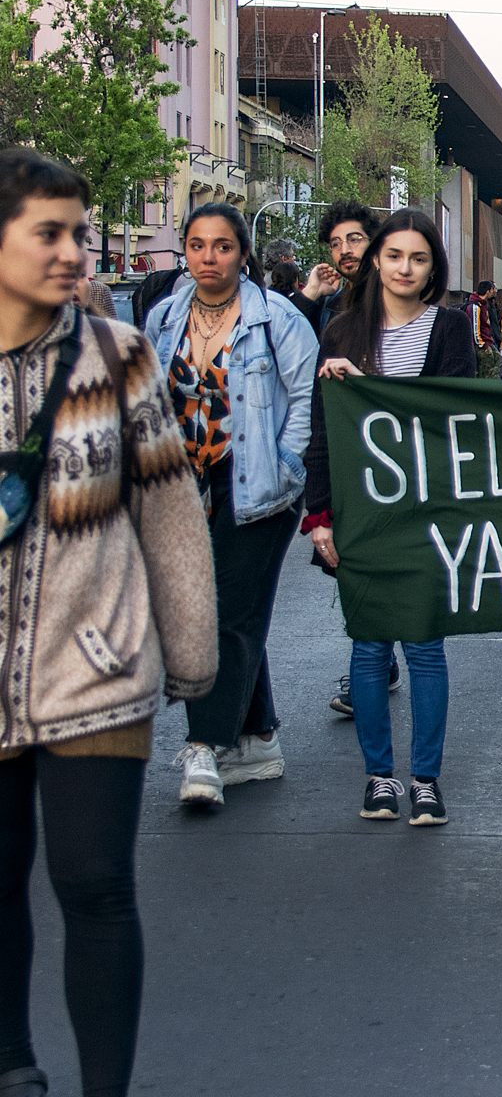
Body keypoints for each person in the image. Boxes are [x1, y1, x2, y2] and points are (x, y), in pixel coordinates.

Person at [0, 148, 217, 1097]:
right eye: (48, 233)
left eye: (78, 235)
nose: (72, 255)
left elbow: (169, 510)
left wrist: (191, 650)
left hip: (97, 666)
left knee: (93, 886)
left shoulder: (119, 358)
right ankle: (13, 1062)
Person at [304, 209, 475, 826]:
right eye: (395, 255)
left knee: (426, 647)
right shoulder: (341, 331)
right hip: (359, 514)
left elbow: (451, 415)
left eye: (419, 258)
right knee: (370, 646)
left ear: (434, 268)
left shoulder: (451, 329)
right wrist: (318, 515)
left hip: (426, 511)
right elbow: (322, 431)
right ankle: (378, 777)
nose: (406, 267)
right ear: (376, 260)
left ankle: (425, 780)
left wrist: (368, 386)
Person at [143, 203, 318, 806]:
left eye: (222, 246)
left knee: (220, 614)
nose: (208, 258)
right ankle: (259, 736)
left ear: (243, 253)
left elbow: (306, 399)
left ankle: (203, 748)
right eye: (196, 245)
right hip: (186, 486)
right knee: (231, 610)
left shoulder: (279, 319)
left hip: (258, 486)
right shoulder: (165, 316)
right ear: (185, 252)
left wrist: (290, 468)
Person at [289, 200, 380, 336]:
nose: (344, 250)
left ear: (374, 243)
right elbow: (285, 332)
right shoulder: (329, 306)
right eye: (336, 243)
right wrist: (311, 292)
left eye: (354, 239)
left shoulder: (393, 300)